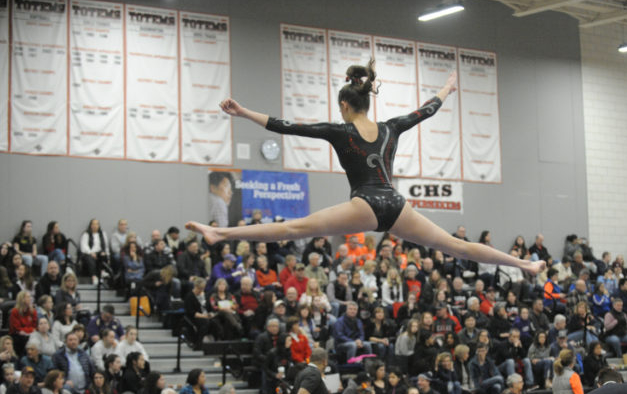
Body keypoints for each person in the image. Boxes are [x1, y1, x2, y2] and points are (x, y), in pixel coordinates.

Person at [187, 64, 545, 279]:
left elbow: (285, 126)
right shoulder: (391, 127)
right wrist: (447, 89)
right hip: (396, 204)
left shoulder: (340, 130)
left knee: (293, 227)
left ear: (345, 104)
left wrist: (244, 111)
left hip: (365, 203)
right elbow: (428, 110)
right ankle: (523, 265)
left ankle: (222, 235)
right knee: (456, 246)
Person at [79, 218, 110, 285]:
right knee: (90, 259)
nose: (95, 226)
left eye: (97, 224)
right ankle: (94, 277)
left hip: (99, 252)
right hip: (88, 253)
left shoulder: (103, 234)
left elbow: (106, 246)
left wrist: (107, 255)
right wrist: (91, 253)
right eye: (93, 224)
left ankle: (102, 272)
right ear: (90, 225)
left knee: (103, 255)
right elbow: (83, 246)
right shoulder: (86, 234)